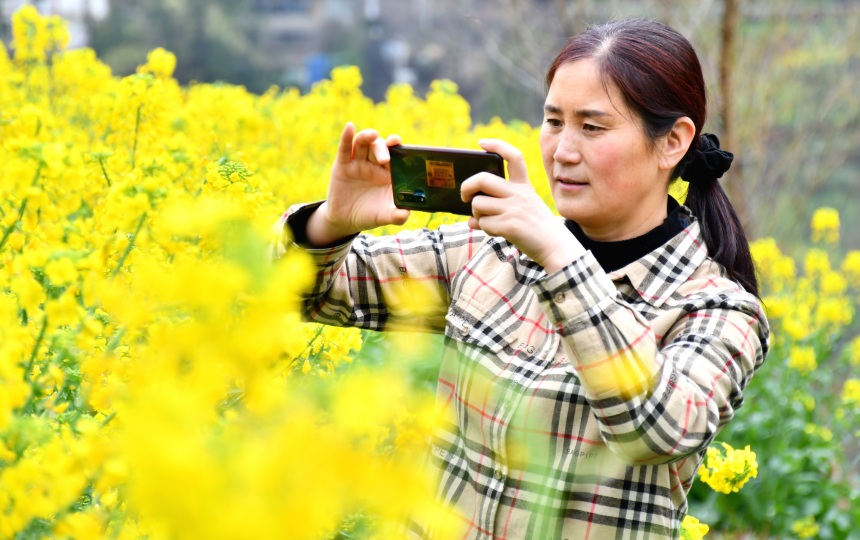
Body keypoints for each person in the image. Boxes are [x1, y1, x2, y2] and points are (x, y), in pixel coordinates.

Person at [273, 18, 769, 540]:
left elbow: (659, 428)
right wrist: (331, 221)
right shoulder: (493, 251)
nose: (562, 151)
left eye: (592, 127)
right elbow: (299, 291)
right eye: (554, 122)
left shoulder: (716, 309)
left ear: (672, 142)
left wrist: (560, 253)